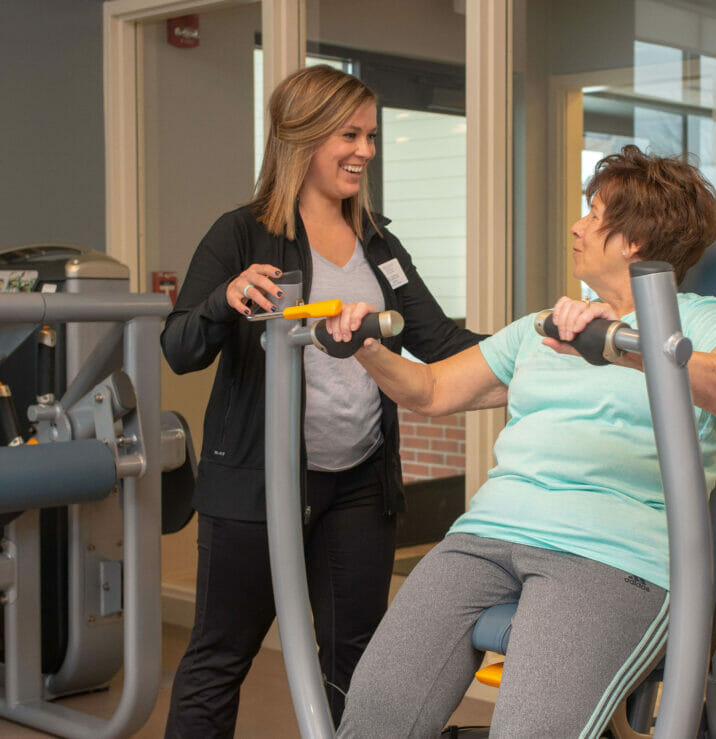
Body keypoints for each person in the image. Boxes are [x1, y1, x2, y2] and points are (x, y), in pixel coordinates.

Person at [326, 144, 716, 738]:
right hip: (484, 538)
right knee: (374, 717)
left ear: (635, 241)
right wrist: (366, 348)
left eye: (594, 215)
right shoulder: (547, 326)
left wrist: (619, 346)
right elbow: (430, 390)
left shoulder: (700, 320)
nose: (576, 227)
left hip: (610, 555)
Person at [160, 65, 484, 737]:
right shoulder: (241, 233)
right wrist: (224, 299)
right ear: (303, 138)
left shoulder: (378, 242)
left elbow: (439, 340)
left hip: (358, 481)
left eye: (371, 135)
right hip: (257, 484)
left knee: (354, 659)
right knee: (221, 658)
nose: (366, 150)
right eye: (350, 135)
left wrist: (539, 339)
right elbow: (180, 348)